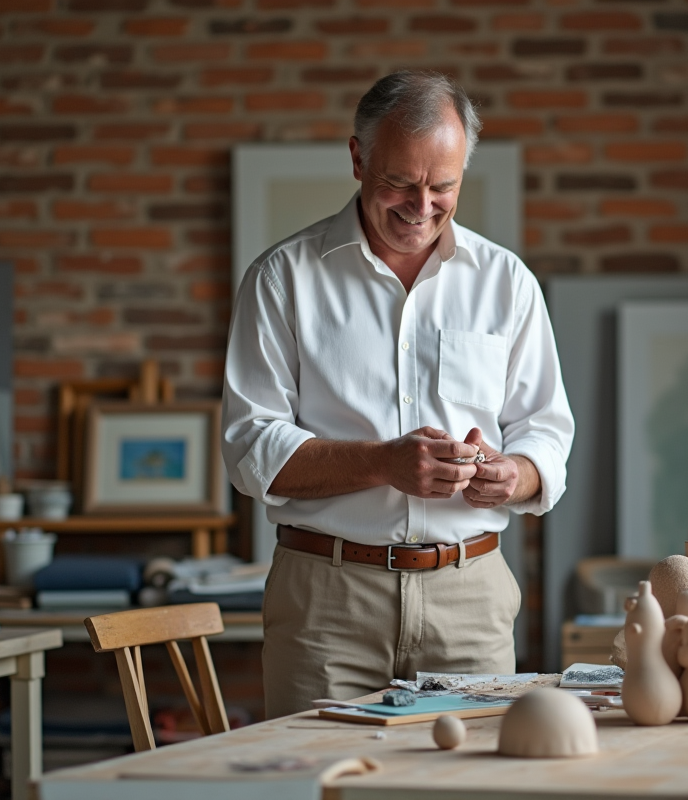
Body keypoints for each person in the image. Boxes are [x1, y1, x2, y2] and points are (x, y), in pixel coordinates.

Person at [221, 70, 574, 719]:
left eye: (444, 186)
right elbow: (250, 449)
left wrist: (512, 474)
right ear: (357, 159)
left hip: (471, 598)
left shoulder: (507, 283)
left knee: (465, 789)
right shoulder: (283, 279)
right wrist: (384, 462)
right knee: (316, 783)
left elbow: (545, 433)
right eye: (400, 182)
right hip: (324, 604)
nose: (422, 205)